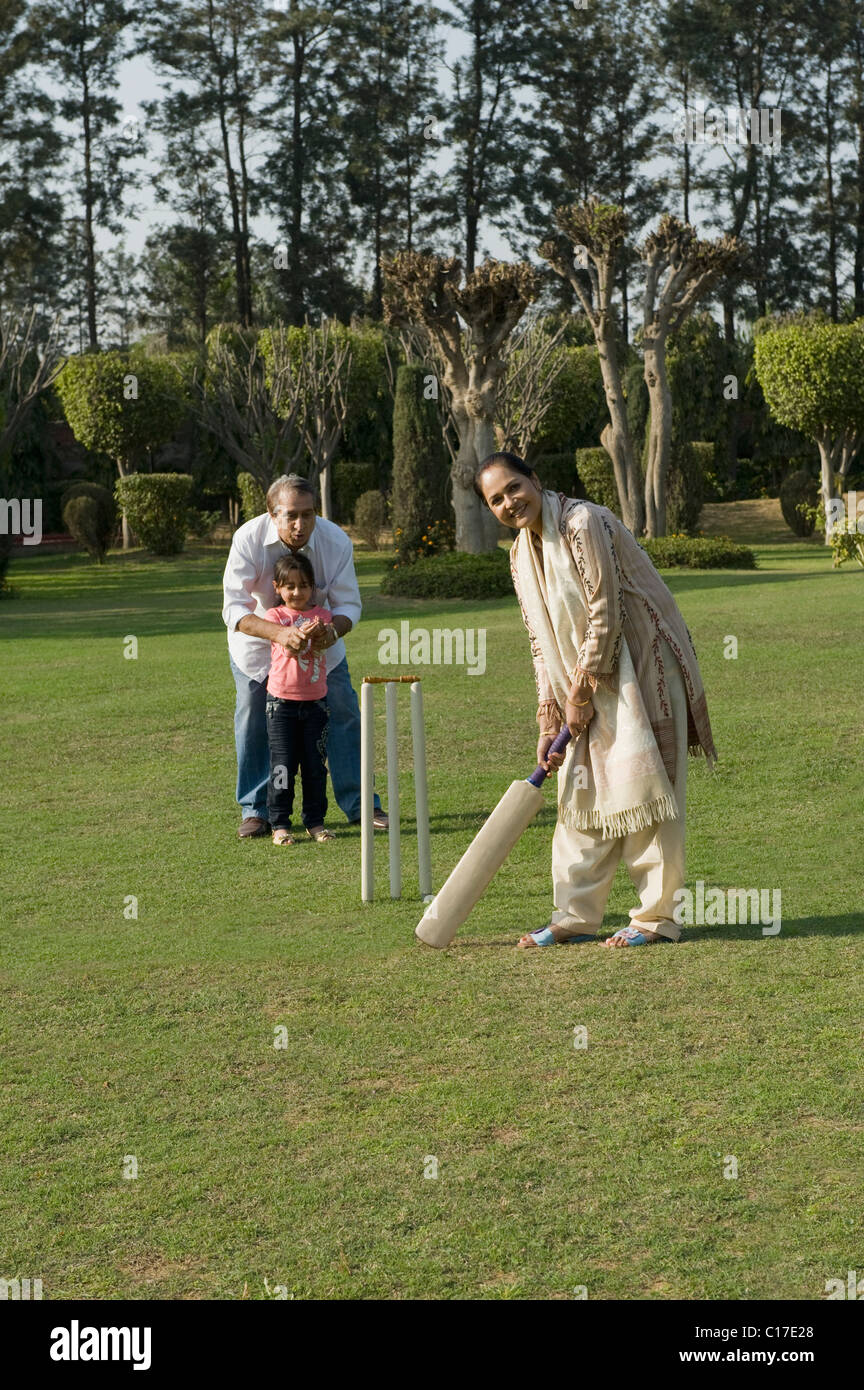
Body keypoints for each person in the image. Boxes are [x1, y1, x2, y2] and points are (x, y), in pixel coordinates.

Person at [474, 452, 716, 948]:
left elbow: (605, 611)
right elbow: (541, 644)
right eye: (495, 499)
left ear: (535, 480)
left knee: (646, 788)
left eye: (514, 488)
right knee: (578, 792)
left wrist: (581, 692)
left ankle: (656, 919)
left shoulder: (584, 522)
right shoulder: (520, 554)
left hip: (643, 664)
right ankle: (575, 916)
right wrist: (551, 718)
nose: (508, 502)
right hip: (582, 679)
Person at [222, 473, 387, 838]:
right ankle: (257, 810)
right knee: (253, 715)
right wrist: (280, 634)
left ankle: (362, 806)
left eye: (308, 514)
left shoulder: (335, 540)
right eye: (291, 515)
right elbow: (234, 609)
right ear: (272, 513)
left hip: (320, 653)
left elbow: (348, 605)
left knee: (343, 711)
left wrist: (331, 632)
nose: (301, 525)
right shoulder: (248, 539)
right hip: (258, 651)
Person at [263, 552, 334, 846]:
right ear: (277, 587)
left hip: (316, 703)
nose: (297, 592)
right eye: (289, 586)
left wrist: (319, 634)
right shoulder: (275, 618)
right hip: (281, 705)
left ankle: (315, 822)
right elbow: (288, 651)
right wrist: (296, 636)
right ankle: (279, 823)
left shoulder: (323, 617)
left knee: (315, 766)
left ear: (313, 587)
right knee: (283, 766)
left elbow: (320, 650)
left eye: (303, 585)